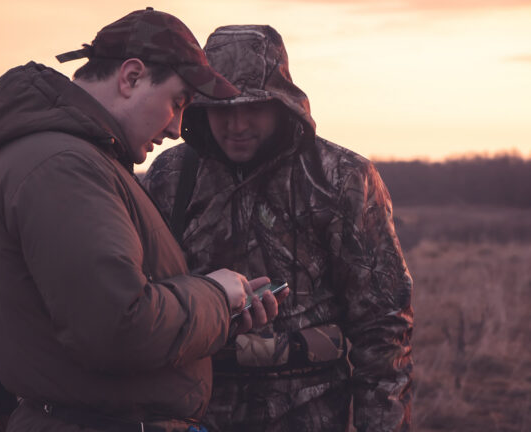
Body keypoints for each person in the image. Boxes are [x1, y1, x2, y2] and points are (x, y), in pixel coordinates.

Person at [0, 9, 284, 432]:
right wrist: (214, 294)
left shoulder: (76, 158)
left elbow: (103, 310)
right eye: (177, 103)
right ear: (131, 77)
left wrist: (222, 315)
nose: (177, 129)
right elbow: (119, 328)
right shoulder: (63, 166)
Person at [144, 25, 414, 432]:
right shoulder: (170, 175)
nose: (236, 124)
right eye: (221, 108)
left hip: (310, 412)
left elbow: (383, 325)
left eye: (252, 107)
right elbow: (143, 303)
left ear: (281, 104)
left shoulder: (342, 178)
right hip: (193, 413)